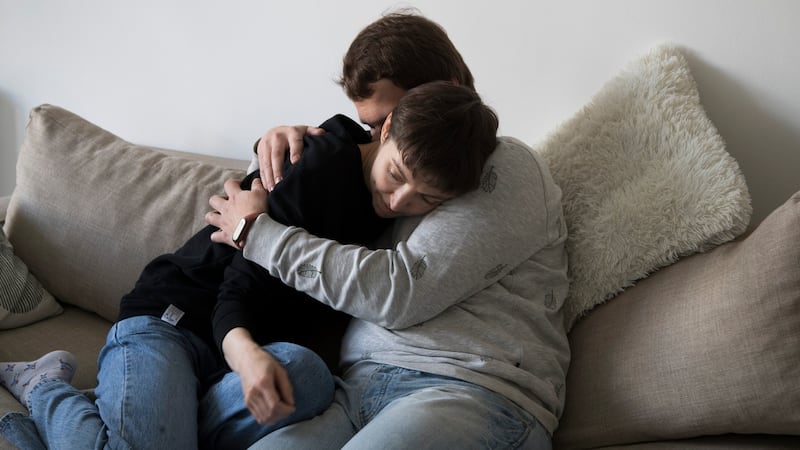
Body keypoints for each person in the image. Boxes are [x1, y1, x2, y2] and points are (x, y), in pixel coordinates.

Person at [0, 81, 499, 449]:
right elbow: (236, 288)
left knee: (309, 377)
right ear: (385, 128)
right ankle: (44, 390)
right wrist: (247, 356)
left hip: (227, 361)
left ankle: (130, 412)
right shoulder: (323, 167)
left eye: (427, 198)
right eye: (397, 174)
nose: (399, 201)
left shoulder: (405, 211)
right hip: (173, 320)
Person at [206, 10, 570, 450]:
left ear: (445, 91)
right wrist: (281, 151)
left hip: (470, 390)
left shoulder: (506, 165)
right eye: (371, 127)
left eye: (386, 121)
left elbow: (401, 291)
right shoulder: (378, 176)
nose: (377, 141)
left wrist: (257, 233)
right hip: (355, 392)